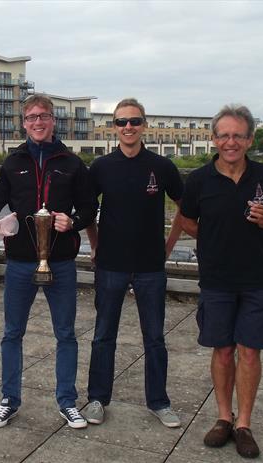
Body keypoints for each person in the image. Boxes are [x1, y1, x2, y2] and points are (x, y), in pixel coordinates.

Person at [180, 104, 263, 458]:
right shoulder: (199, 179)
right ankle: (222, 419)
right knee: (223, 350)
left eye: (238, 135)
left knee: (250, 350)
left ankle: (244, 424)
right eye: (224, 135)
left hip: (258, 277)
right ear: (214, 139)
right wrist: (213, 240)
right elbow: (186, 220)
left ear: (249, 140)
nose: (231, 141)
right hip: (216, 278)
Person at [0, 95, 98, 429]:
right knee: (12, 333)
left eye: (44, 116)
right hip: (20, 261)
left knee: (65, 333)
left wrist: (73, 222)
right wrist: (6, 221)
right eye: (32, 117)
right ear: (24, 122)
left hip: (61, 261)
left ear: (53, 121)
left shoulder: (72, 162)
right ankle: (10, 399)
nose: (38, 122)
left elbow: (90, 207)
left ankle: (67, 401)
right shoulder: (12, 162)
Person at [83, 98, 183, 428]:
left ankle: (159, 401)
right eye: (122, 122)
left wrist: (168, 245)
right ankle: (97, 399)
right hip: (111, 264)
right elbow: (86, 211)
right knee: (103, 336)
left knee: (154, 336)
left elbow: (186, 208)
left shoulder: (162, 166)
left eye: (135, 121)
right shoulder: (101, 167)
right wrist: (96, 244)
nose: (128, 127)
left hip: (150, 266)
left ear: (144, 125)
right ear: (114, 127)